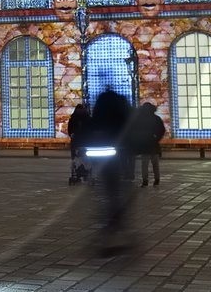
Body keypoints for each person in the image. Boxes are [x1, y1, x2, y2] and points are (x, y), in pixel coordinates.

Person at [82, 89, 133, 254]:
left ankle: (111, 228)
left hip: (102, 156)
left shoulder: (99, 113)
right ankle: (115, 228)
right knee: (118, 193)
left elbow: (88, 130)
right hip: (116, 155)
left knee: (110, 193)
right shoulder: (119, 113)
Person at [133, 102, 167, 187]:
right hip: (153, 143)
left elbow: (136, 131)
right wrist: (157, 138)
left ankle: (145, 180)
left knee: (144, 164)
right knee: (155, 163)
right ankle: (157, 179)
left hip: (144, 144)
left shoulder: (139, 119)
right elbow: (162, 130)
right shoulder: (156, 118)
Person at [65, 102, 90, 185]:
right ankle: (82, 173)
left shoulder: (74, 118)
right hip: (82, 141)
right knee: (82, 158)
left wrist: (72, 134)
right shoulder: (86, 118)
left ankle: (80, 173)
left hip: (78, 141)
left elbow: (70, 129)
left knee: (78, 158)